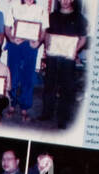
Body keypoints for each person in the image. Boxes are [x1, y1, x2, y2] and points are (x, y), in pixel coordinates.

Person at [41, 0, 87, 129]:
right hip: (52, 57)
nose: (65, 1)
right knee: (49, 86)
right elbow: (47, 34)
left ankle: (63, 118)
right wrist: (47, 48)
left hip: (68, 59)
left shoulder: (79, 18)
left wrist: (75, 51)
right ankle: (46, 113)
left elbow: (83, 38)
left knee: (66, 89)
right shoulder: (52, 16)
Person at [5, 0, 47, 121]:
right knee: (13, 75)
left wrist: (39, 42)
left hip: (31, 46)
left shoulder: (41, 8)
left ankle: (25, 108)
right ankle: (11, 105)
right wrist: (12, 39)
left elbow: (44, 29)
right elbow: (7, 27)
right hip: (15, 45)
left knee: (28, 78)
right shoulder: (13, 5)